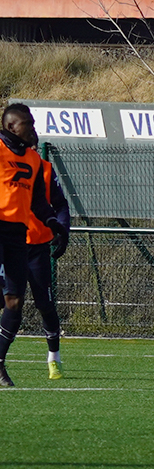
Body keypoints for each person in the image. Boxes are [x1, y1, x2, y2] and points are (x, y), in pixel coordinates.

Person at [6, 107, 68, 379]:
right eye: (27, 125)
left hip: (32, 245)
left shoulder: (39, 165)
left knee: (36, 302)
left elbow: (52, 203)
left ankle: (53, 357)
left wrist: (59, 227)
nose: (32, 131)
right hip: (6, 236)